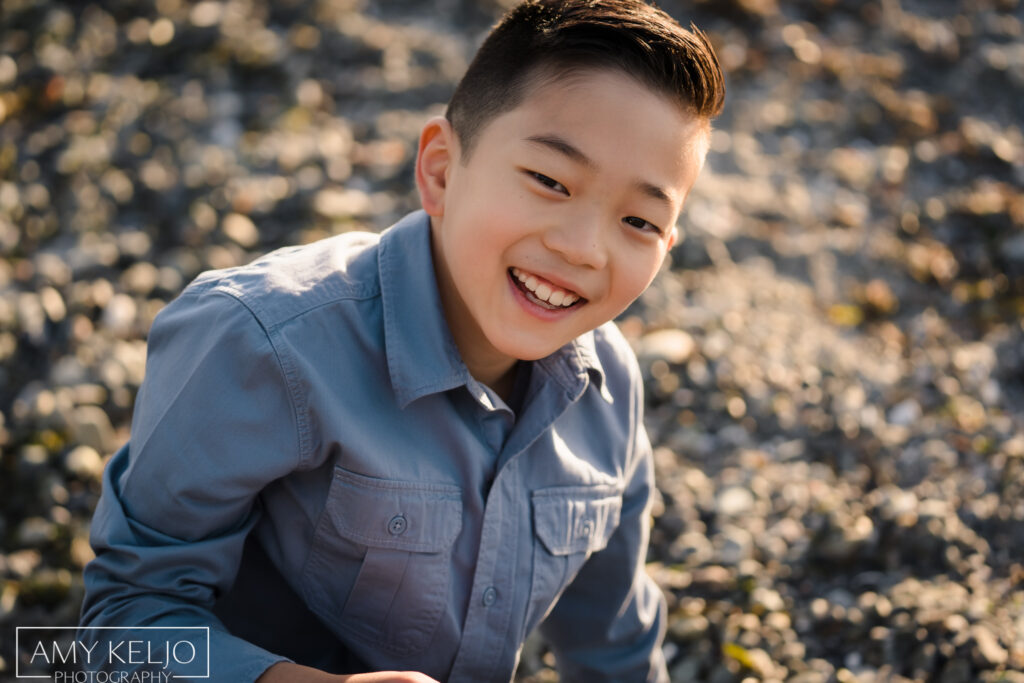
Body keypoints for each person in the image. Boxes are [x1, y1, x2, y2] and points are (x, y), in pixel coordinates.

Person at [79, 0, 725, 681]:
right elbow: (114, 631)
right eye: (550, 181)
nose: (584, 249)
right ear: (442, 169)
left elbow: (614, 644)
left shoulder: (609, 390)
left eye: (639, 220)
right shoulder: (261, 342)